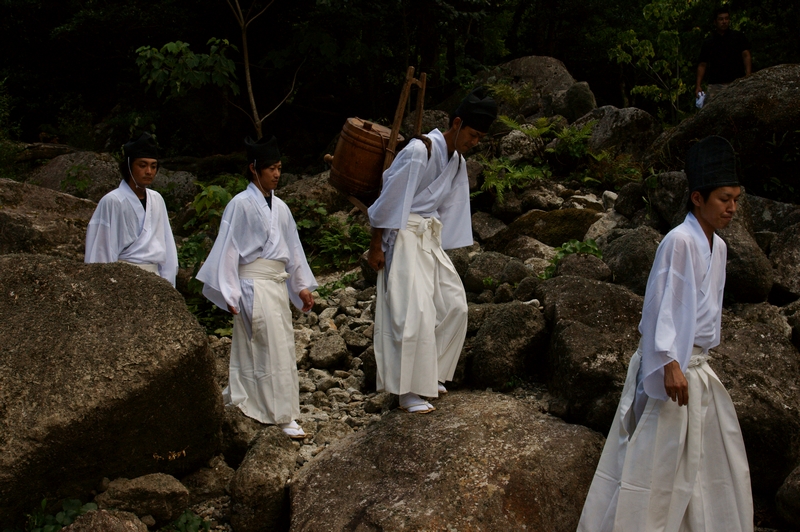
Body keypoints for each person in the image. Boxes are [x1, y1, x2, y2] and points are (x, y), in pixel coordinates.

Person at [577, 136, 753, 532]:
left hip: (698, 366)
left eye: (736, 199)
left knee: (706, 465)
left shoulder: (718, 248)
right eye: (724, 198)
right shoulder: (678, 241)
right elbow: (659, 306)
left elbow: (705, 313)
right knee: (654, 464)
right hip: (671, 366)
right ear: (697, 198)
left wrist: (693, 360)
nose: (732, 207)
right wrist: (669, 363)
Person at [366, 88, 497, 414]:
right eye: (473, 134)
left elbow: (448, 210)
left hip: (428, 237)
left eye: (480, 137)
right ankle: (408, 390)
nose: (475, 142)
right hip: (405, 233)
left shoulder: (455, 162)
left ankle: (432, 373)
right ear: (457, 122)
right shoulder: (418, 151)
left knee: (454, 305)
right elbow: (388, 200)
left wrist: (440, 246)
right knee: (414, 312)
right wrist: (376, 245)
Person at [196, 135, 316, 439]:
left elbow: (293, 249)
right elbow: (228, 251)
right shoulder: (240, 205)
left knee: (282, 348)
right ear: (254, 169)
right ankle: (277, 414)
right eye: (270, 168)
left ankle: (278, 409)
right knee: (262, 348)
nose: (276, 174)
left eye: (278, 168)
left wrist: (300, 287)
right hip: (252, 284)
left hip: (276, 285)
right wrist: (230, 292)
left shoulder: (283, 209)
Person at [85, 132, 178, 286]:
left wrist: (169, 285)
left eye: (153, 166)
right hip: (122, 280)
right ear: (129, 166)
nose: (149, 171)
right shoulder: (112, 201)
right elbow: (101, 251)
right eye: (142, 165)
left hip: (156, 281)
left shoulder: (157, 200)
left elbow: (167, 246)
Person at [695, 6, 752, 102]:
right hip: (715, 84)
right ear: (715, 22)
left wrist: (748, 75)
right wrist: (698, 85)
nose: (724, 21)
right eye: (721, 19)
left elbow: (746, 55)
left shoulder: (738, 37)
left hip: (736, 82)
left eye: (726, 18)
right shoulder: (709, 42)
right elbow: (702, 64)